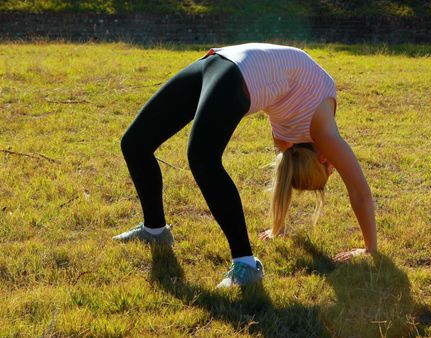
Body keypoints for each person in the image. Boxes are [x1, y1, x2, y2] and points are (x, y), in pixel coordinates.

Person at [113, 43, 377, 287]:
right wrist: (370, 250)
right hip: (221, 61)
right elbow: (359, 191)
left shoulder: (290, 143)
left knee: (199, 158)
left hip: (227, 68)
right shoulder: (324, 132)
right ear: (322, 158)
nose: (334, 165)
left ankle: (244, 263)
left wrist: (279, 228)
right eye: (332, 170)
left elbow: (285, 174)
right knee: (136, 143)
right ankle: (155, 229)